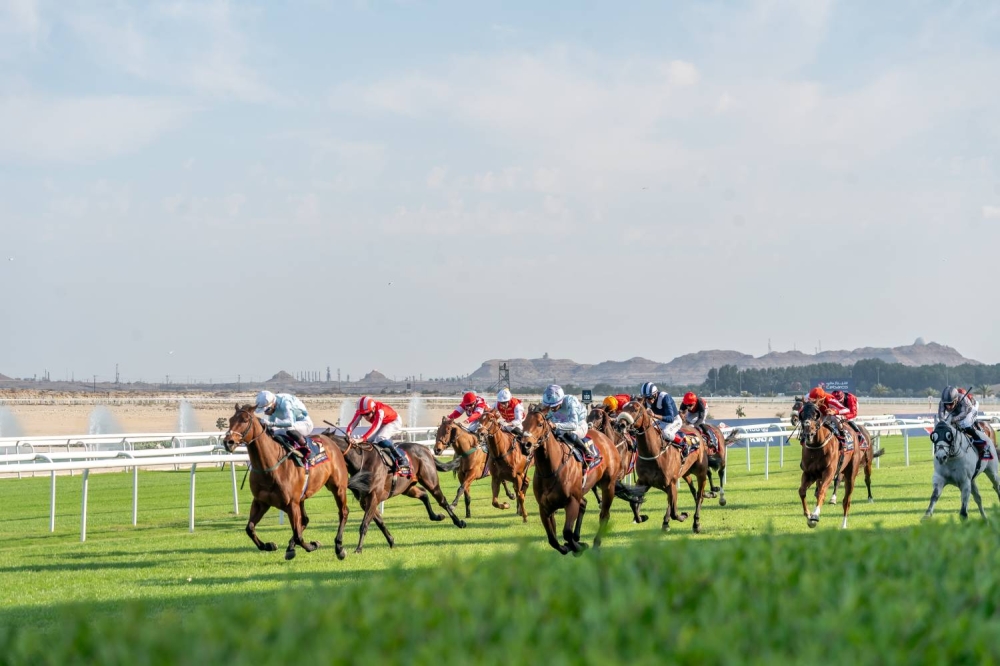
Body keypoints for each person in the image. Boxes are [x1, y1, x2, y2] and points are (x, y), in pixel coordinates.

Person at [346, 396, 410, 474]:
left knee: (380, 438)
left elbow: (375, 427)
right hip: (383, 423)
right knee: (369, 440)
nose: (365, 417)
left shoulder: (380, 411)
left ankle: (400, 458)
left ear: (373, 409)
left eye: (367, 414)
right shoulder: (362, 410)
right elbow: (353, 423)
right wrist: (348, 434)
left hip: (394, 421)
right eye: (363, 415)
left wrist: (361, 439)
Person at [542, 384, 601, 466]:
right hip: (560, 425)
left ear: (561, 401)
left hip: (579, 425)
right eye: (550, 406)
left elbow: (573, 425)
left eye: (554, 406)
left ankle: (587, 452)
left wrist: (555, 425)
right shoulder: (548, 404)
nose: (552, 409)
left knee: (568, 433)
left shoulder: (570, 401)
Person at [255, 390, 314, 458]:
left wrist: (271, 423)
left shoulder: (285, 403)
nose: (265, 413)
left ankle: (308, 450)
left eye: (267, 410)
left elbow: (290, 422)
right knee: (272, 432)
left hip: (305, 424)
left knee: (288, 428)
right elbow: (271, 427)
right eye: (264, 411)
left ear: (273, 404)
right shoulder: (273, 406)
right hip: (293, 425)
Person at [938, 386, 988, 457]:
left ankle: (982, 446)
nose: (948, 406)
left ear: (956, 399)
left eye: (951, 404)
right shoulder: (942, 402)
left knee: (965, 425)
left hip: (968, 411)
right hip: (955, 413)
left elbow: (964, 414)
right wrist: (943, 423)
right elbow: (941, 415)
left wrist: (954, 419)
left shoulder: (962, 398)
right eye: (946, 404)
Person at [638, 382, 688, 453]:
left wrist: (654, 416)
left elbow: (671, 419)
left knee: (665, 432)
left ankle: (683, 443)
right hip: (661, 421)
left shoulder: (664, 397)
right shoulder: (646, 401)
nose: (648, 401)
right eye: (645, 398)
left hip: (674, 420)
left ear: (655, 394)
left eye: (649, 398)